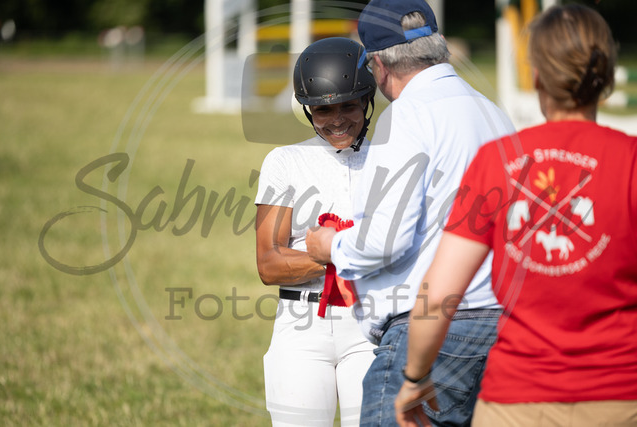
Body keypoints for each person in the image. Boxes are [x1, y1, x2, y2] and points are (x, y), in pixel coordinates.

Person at [395, 4, 637, 426]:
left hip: (516, 403)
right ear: (608, 78)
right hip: (619, 399)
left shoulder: (497, 162)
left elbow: (438, 294)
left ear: (537, 76)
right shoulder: (630, 161)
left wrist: (415, 376)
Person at [305, 0, 515, 425]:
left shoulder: (405, 116)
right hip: (503, 328)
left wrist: (331, 245)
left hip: (430, 331)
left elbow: (387, 238)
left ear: (379, 65)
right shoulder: (495, 113)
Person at [255, 37, 378, 426]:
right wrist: (348, 252)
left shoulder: (391, 159)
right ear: (309, 110)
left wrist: (330, 249)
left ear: (367, 101)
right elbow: (269, 263)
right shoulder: (285, 161)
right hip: (301, 323)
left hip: (372, 321)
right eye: (323, 109)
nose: (337, 119)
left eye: (348, 105)